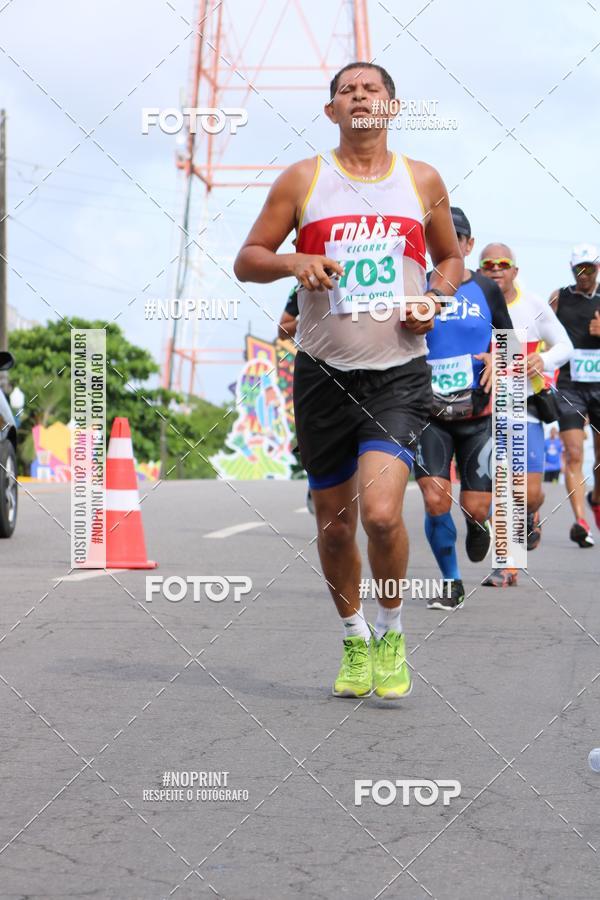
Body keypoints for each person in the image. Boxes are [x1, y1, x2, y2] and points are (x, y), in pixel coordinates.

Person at [234, 61, 462, 699]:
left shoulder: (422, 180)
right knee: (335, 524)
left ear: (392, 106)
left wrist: (435, 300)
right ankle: (354, 638)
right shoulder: (304, 180)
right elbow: (247, 260)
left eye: (372, 89)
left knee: (384, 516)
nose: (359, 96)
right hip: (322, 377)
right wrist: (294, 260)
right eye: (346, 90)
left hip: (398, 374)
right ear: (331, 111)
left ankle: (391, 632)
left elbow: (450, 257)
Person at [414, 208, 512, 610]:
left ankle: (478, 524)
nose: (447, 243)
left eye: (456, 238)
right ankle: (451, 582)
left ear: (468, 246)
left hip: (477, 418)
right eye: (438, 236)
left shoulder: (486, 290)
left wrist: (495, 358)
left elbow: (510, 341)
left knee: (475, 506)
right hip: (428, 416)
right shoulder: (416, 287)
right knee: (436, 499)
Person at [479, 243, 573, 587]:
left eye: (502, 264)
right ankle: (506, 563)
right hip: (486, 407)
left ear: (514, 271)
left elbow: (565, 346)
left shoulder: (532, 305)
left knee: (529, 493)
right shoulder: (473, 305)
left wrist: (543, 361)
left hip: (526, 406)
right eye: (487, 264)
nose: (495, 269)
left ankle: (531, 513)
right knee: (500, 486)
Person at [550, 244, 600, 547]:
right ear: (572, 270)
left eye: (590, 268)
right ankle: (581, 521)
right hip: (570, 385)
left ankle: (595, 498)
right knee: (574, 454)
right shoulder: (559, 298)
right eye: (579, 268)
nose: (584, 274)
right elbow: (540, 333)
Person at [278, 286, 315, 514]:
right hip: (319, 370)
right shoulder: (307, 282)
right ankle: (317, 478)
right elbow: (283, 328)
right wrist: (315, 317)